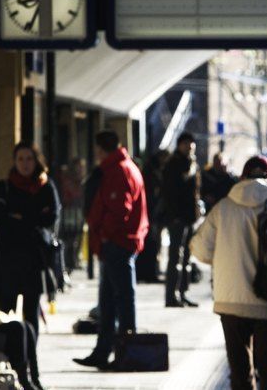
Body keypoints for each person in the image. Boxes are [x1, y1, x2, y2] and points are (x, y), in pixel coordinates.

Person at [190, 155, 267, 390]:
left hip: (231, 302)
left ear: (243, 177)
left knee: (240, 377)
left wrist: (224, 259)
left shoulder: (223, 207)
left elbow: (199, 249)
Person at [73, 130, 148, 369]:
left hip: (118, 242)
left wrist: (104, 234)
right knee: (109, 301)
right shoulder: (124, 167)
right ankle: (103, 351)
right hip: (118, 242)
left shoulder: (118, 170)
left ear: (100, 149)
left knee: (121, 299)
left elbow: (119, 209)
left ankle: (126, 351)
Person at [0, 142, 59, 389]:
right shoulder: (5, 186)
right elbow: (0, 218)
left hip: (34, 263)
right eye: (20, 159)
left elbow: (51, 219)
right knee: (7, 321)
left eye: (29, 159)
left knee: (31, 320)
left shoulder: (45, 186)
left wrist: (19, 218)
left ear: (36, 160)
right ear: (14, 160)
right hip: (7, 264)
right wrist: (31, 219)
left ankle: (32, 372)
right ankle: (14, 371)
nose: (24, 164)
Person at [161, 132, 201, 308]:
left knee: (186, 258)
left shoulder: (192, 163)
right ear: (179, 145)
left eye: (191, 144)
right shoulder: (173, 164)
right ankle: (172, 295)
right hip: (177, 218)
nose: (190, 147)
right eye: (186, 143)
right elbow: (169, 192)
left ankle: (182, 292)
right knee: (175, 256)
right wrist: (174, 216)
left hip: (189, 217)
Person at [136, 150, 170, 283]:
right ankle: (150, 271)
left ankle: (151, 271)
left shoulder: (155, 172)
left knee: (154, 243)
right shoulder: (153, 174)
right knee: (152, 243)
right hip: (152, 213)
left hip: (154, 213)